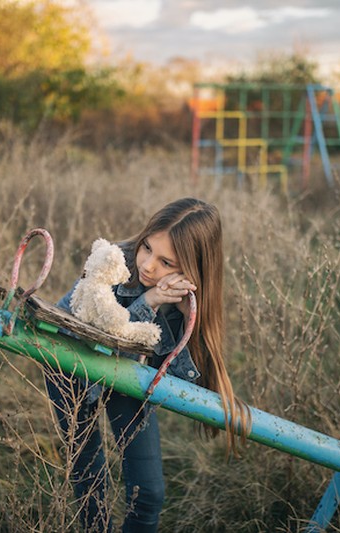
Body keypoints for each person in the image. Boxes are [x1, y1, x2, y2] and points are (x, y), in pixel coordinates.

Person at [44, 197, 251, 532]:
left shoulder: (189, 299)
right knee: (91, 481)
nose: (149, 266)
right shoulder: (112, 264)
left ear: (192, 270)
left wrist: (187, 320)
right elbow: (96, 341)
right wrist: (148, 301)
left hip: (128, 376)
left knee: (149, 494)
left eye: (166, 262)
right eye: (147, 248)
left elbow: (186, 385)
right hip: (70, 365)